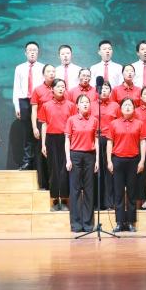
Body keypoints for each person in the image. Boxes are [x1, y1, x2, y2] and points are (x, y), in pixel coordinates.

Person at [106, 98, 145, 232]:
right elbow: (109, 142)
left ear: (134, 108)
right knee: (119, 193)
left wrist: (142, 161)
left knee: (132, 193)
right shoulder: (114, 124)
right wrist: (109, 161)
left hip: (133, 160)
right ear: (121, 108)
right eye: (125, 105)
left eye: (130, 105)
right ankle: (119, 222)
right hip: (117, 160)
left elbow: (143, 142)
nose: (127, 107)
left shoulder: (139, 123)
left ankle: (130, 222)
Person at [40, 78, 77, 212]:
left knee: (65, 169)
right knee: (53, 170)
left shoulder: (71, 105)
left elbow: (74, 125)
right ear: (52, 89)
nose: (61, 89)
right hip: (51, 139)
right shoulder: (46, 105)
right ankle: (55, 200)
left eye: (63, 86)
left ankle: (65, 200)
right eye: (58, 86)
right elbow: (44, 125)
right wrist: (43, 144)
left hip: (66, 139)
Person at [64, 94, 98, 232]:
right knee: (75, 190)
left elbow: (96, 140)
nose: (85, 104)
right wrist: (68, 159)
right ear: (77, 105)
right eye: (82, 102)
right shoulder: (71, 120)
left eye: (87, 102)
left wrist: (97, 160)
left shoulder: (94, 120)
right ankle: (76, 224)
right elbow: (67, 140)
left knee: (89, 190)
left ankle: (88, 224)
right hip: (75, 155)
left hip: (90, 155)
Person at [11, 41, 44, 171]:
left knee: (39, 131)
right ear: (25, 52)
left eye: (34, 50)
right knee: (27, 133)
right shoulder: (19, 68)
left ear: (38, 52)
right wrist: (17, 106)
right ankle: (27, 161)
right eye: (30, 50)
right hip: (24, 101)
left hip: (39, 102)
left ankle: (40, 162)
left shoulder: (42, 67)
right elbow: (16, 88)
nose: (32, 53)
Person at [29, 64, 57, 192]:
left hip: (55, 125)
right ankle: (43, 184)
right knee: (41, 154)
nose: (51, 73)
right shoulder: (38, 90)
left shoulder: (59, 88)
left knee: (54, 155)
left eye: (53, 71)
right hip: (42, 124)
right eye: (48, 71)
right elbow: (34, 110)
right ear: (43, 74)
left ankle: (54, 184)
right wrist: (35, 127)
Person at [93, 83, 120, 210]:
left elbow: (119, 123)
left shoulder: (115, 106)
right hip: (95, 139)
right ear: (97, 90)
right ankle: (97, 203)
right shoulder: (92, 105)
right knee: (97, 171)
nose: (104, 91)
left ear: (110, 91)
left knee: (110, 171)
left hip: (111, 141)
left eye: (106, 88)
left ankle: (109, 203)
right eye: (102, 89)